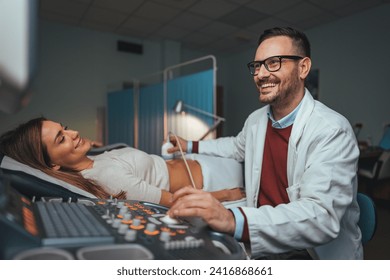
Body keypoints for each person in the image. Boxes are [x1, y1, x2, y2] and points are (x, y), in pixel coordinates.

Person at [166, 27, 362, 259]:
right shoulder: (256, 120)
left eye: (274, 63)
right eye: (257, 66)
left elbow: (321, 217)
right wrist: (189, 146)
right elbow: (234, 146)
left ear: (303, 67)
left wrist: (230, 219)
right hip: (266, 240)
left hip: (310, 253)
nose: (261, 74)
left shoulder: (331, 130)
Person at [0, 117, 245, 207]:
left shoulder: (95, 160)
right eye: (61, 138)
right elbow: (173, 202)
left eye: (65, 127)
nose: (73, 132)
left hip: (199, 162)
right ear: (52, 165)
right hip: (214, 179)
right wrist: (226, 195)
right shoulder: (105, 178)